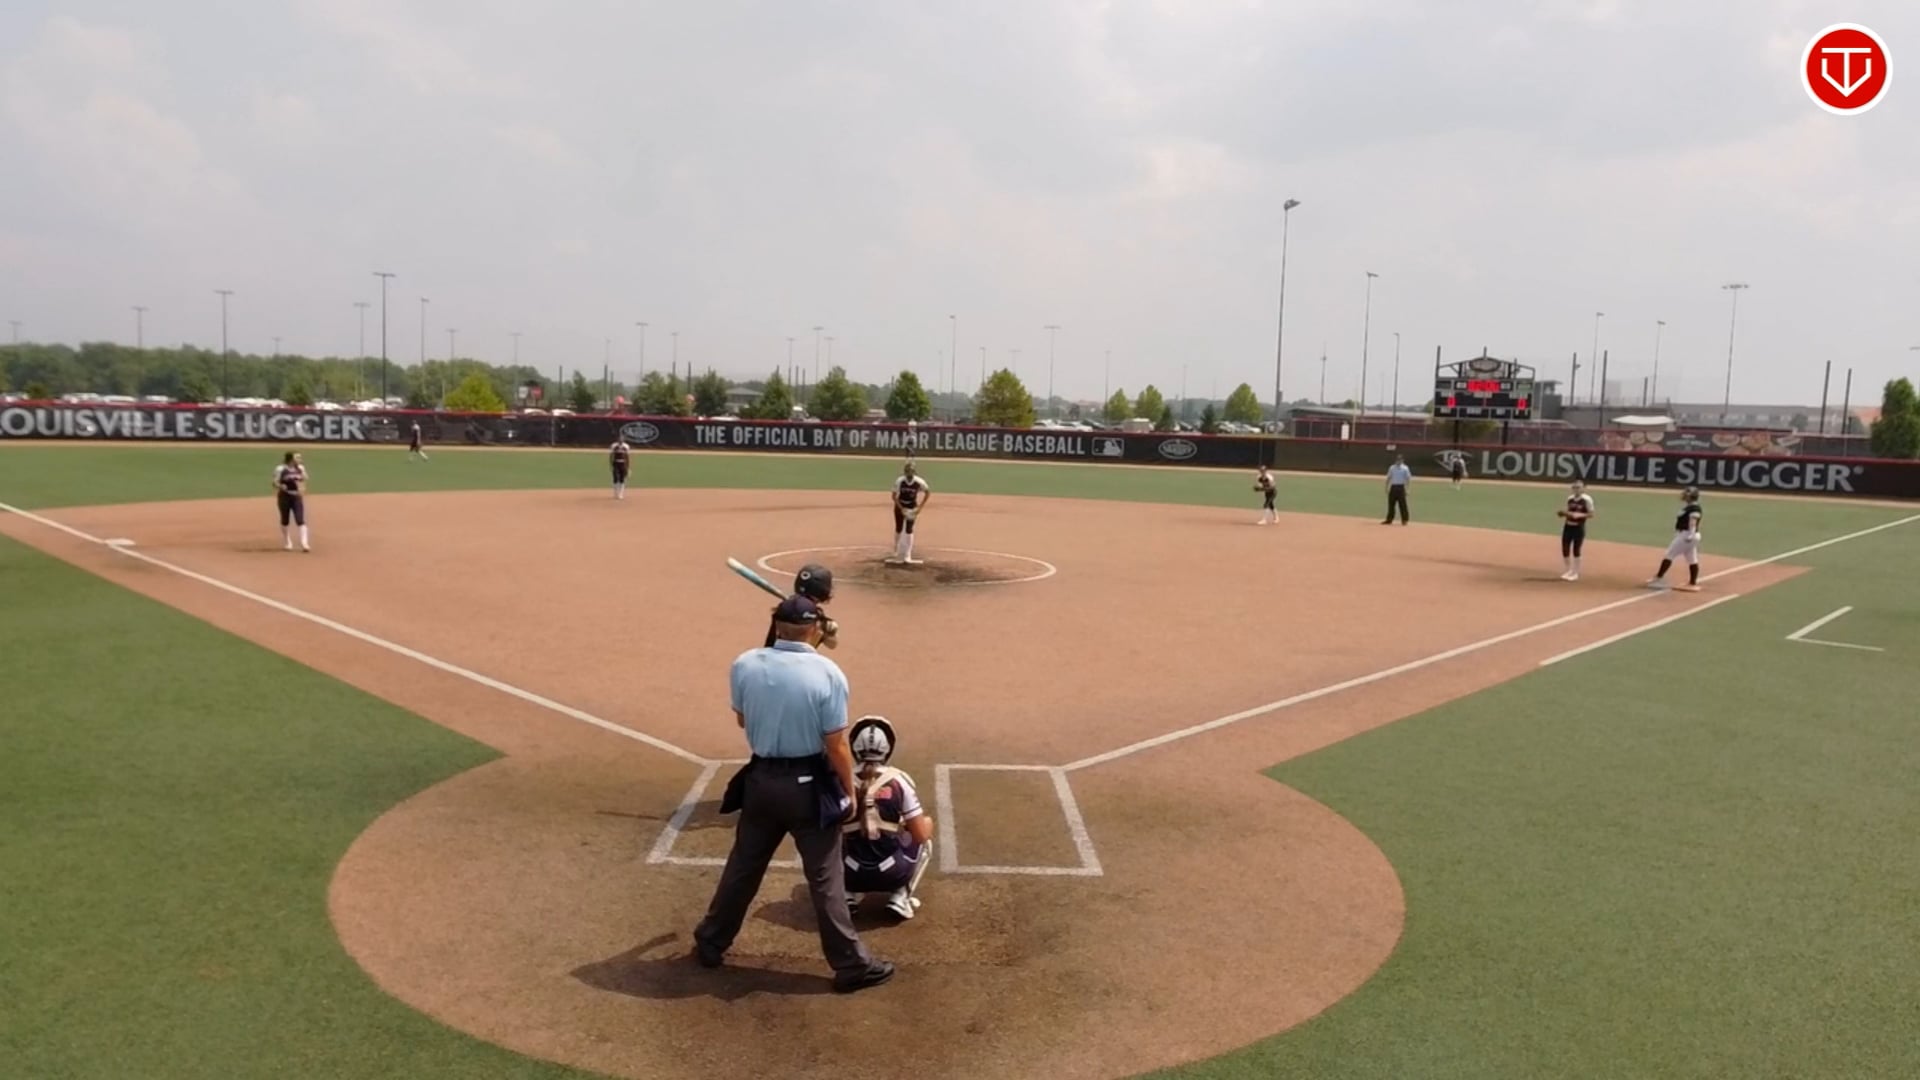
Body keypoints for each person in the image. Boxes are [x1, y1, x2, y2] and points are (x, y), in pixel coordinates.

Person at [693, 594, 894, 994]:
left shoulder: (745, 664)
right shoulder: (828, 673)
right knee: (826, 877)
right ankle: (851, 965)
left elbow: (743, 719)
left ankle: (711, 941)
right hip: (809, 788)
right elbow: (836, 744)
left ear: (776, 626)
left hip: (761, 783)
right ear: (815, 628)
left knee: (743, 867)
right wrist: (848, 790)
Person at [841, 716, 935, 921]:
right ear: (887, 749)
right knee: (924, 834)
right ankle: (901, 897)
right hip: (892, 873)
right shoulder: (898, 780)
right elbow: (920, 834)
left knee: (829, 838)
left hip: (849, 872)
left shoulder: (840, 779)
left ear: (855, 748)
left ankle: (845, 896)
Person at [1646, 487, 1704, 592]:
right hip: (1690, 535)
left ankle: (1658, 578)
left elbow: (1693, 522)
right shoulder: (1690, 507)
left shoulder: (1694, 509)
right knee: (1692, 558)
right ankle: (1692, 583)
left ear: (1691, 496)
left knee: (1669, 555)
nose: (1684, 495)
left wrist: (1690, 535)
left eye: (1686, 494)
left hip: (1687, 535)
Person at [888, 461, 931, 565]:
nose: (909, 474)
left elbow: (927, 492)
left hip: (912, 506)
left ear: (914, 472)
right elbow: (893, 496)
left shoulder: (919, 482)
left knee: (909, 529)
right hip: (900, 505)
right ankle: (896, 550)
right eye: (907, 471)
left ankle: (908, 554)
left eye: (911, 471)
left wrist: (919, 508)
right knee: (898, 528)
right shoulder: (900, 481)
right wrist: (901, 508)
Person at [1556, 480, 1596, 581]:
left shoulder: (1587, 499)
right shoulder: (1570, 499)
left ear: (1583, 488)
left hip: (1578, 527)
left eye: (1578, 487)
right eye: (1574, 487)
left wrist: (1580, 515)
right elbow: (1569, 511)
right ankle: (1568, 570)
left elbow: (1591, 514)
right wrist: (1564, 514)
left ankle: (1575, 573)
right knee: (1565, 548)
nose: (1576, 489)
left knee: (1576, 549)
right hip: (1568, 526)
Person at [273, 451, 310, 553]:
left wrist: (302, 486)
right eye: (297, 457)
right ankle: (287, 542)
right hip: (284, 496)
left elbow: (304, 479)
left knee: (300, 519)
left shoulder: (301, 468)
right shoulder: (280, 469)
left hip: (296, 496)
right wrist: (281, 486)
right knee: (285, 520)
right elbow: (275, 482)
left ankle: (304, 543)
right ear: (291, 459)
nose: (299, 459)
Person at [1382, 455, 1412, 525]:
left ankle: (1404, 520)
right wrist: (1386, 487)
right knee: (1391, 504)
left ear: (1402, 460)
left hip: (1401, 487)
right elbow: (1388, 478)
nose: (1399, 461)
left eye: (1400, 460)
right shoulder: (1392, 468)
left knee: (1403, 505)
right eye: (1398, 460)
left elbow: (1408, 479)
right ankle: (1389, 519)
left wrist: (1408, 489)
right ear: (1396, 460)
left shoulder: (1405, 468)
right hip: (1393, 487)